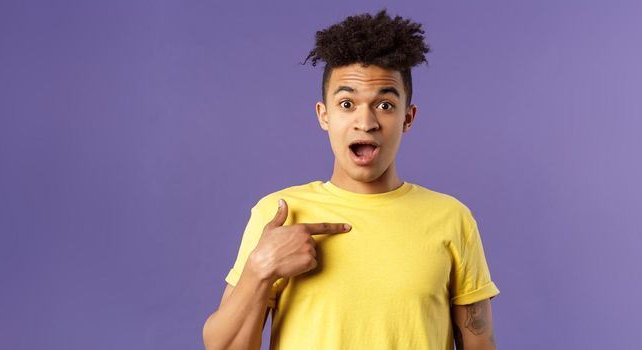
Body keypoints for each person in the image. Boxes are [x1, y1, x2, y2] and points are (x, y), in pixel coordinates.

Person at [202, 9, 499, 349]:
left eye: (385, 105)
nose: (366, 121)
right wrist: (259, 270)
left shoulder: (452, 218)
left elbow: (481, 343)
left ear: (408, 117)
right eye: (347, 103)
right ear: (324, 115)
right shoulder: (279, 214)